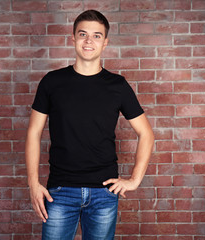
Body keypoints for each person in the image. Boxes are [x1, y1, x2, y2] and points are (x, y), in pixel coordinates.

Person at [25, 9, 154, 240]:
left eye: (96, 35)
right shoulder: (52, 82)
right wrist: (33, 183)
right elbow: (34, 133)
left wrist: (134, 180)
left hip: (104, 192)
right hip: (60, 192)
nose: (88, 40)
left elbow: (146, 133)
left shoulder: (118, 85)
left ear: (105, 42)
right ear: (73, 38)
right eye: (83, 34)